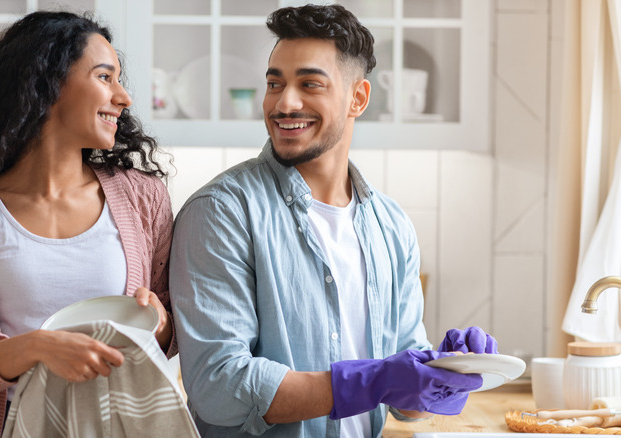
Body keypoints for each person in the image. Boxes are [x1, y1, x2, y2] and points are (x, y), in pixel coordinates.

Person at [169, 4, 498, 438]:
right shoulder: (223, 213)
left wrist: (444, 373)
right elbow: (219, 387)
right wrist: (372, 379)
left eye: (309, 83)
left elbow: (407, 404)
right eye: (275, 83)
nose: (284, 102)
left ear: (358, 98)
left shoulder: (391, 227)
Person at [0, 11, 175, 438]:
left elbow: (171, 332)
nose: (123, 97)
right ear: (45, 84)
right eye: (105, 77)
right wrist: (35, 348)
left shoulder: (144, 198)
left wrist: (159, 324)